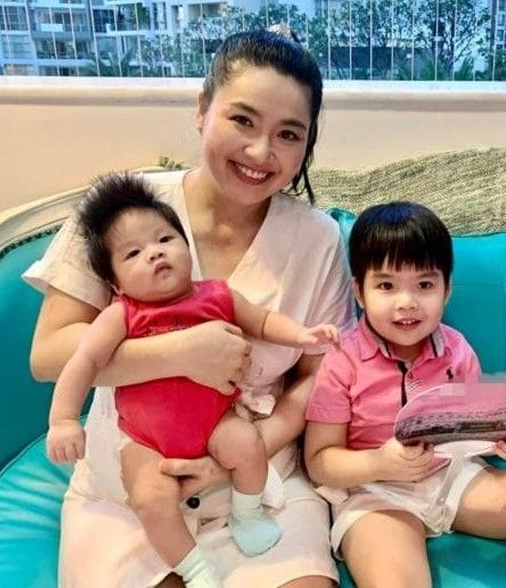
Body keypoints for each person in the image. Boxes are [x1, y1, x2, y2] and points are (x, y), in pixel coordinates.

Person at [24, 26, 355, 588]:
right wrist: (181, 352)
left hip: (257, 483)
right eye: (243, 120)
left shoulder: (317, 238)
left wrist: (248, 451)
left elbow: (316, 379)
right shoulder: (125, 209)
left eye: (288, 134)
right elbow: (49, 354)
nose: (261, 152)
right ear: (203, 110)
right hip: (131, 488)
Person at [46, 172, 340, 587]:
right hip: (145, 441)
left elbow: (263, 321)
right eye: (134, 254)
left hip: (217, 423)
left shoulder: (217, 294)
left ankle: (247, 512)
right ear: (114, 283)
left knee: (246, 443)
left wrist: (303, 336)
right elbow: (81, 361)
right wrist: (63, 420)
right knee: (150, 497)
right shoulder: (122, 315)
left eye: (165, 240)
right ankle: (194, 568)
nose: (154, 253)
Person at [304, 202, 506, 588]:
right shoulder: (340, 361)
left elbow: (471, 433)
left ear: (447, 290)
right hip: (374, 492)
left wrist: (501, 440)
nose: (407, 302)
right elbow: (319, 461)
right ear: (359, 292)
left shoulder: (457, 350)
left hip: (453, 478)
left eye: (424, 285)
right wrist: (379, 463)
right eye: (386, 286)